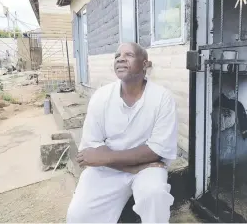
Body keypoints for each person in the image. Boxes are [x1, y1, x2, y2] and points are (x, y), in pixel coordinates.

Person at [66, 42, 178, 223]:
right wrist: (133, 167)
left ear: (144, 64)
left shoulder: (162, 98)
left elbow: (156, 151)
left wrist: (105, 157)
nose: (120, 59)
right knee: (78, 215)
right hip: (111, 169)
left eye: (129, 55)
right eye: (117, 56)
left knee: (155, 195)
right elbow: (91, 149)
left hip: (147, 168)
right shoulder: (101, 96)